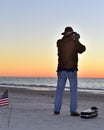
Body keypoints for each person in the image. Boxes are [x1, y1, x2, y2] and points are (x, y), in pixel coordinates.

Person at [54, 26, 86, 116]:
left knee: (59, 90)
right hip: (72, 69)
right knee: (73, 91)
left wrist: (74, 38)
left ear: (64, 34)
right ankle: (73, 110)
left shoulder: (59, 42)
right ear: (71, 33)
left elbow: (60, 54)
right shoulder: (74, 41)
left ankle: (56, 110)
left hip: (61, 69)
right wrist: (77, 40)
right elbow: (82, 49)